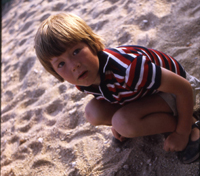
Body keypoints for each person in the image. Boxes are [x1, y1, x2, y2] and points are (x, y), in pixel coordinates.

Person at [34, 13, 200, 164]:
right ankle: (147, 120)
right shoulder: (84, 79)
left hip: (177, 91)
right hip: (146, 93)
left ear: (93, 44)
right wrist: (116, 121)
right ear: (56, 73)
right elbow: (112, 92)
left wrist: (181, 133)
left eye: (76, 51)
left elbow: (183, 87)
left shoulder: (128, 69)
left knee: (123, 122)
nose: (73, 65)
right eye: (61, 64)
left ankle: (190, 125)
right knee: (93, 112)